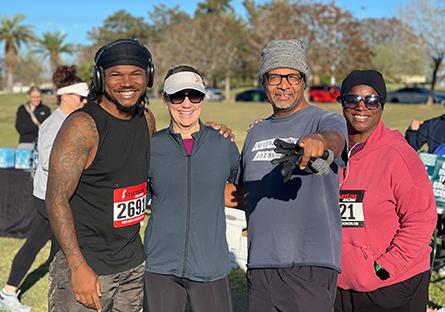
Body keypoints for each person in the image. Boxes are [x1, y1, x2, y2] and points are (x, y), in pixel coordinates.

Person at [236, 39, 348, 312]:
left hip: (310, 262)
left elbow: (337, 140)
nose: (283, 85)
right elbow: (241, 193)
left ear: (304, 80)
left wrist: (319, 142)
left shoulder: (324, 120)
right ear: (264, 81)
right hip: (261, 263)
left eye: (292, 76)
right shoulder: (256, 132)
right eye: (274, 76)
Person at [45, 38, 156, 312]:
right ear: (100, 77)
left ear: (149, 77)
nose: (126, 82)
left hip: (132, 264)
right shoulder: (83, 126)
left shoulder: (147, 120)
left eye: (136, 74)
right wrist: (78, 265)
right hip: (88, 267)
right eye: (116, 74)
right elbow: (56, 198)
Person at [335, 69, 437, 312]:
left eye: (371, 100)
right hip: (340, 284)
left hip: (391, 284)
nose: (361, 107)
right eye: (352, 99)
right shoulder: (332, 150)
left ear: (382, 104)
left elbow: (422, 220)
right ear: (342, 103)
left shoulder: (398, 156)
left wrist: (384, 267)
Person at [143, 65, 239, 312]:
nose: (186, 104)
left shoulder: (222, 145)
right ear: (165, 99)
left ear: (202, 98)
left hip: (210, 265)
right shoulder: (152, 147)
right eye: (177, 96)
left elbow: (245, 188)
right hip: (160, 267)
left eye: (193, 95)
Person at [0, 65, 88, 312]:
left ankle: (13, 291)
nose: (84, 101)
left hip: (56, 197)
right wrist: (81, 159)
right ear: (66, 96)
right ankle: (8, 293)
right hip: (48, 198)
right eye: (81, 97)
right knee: (46, 245)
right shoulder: (54, 123)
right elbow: (49, 158)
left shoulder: (71, 120)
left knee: (50, 246)